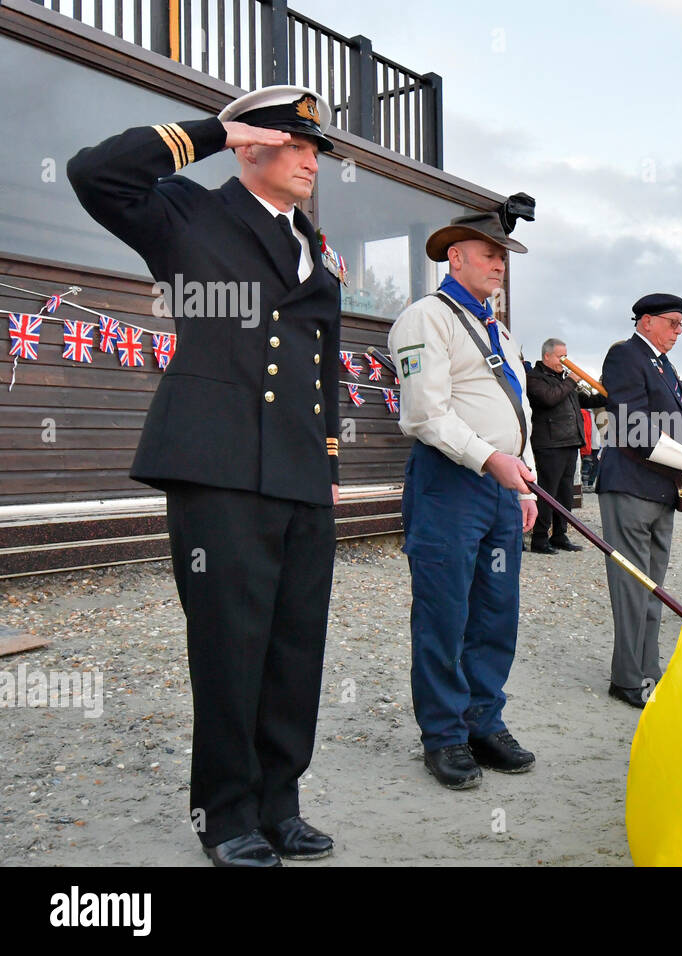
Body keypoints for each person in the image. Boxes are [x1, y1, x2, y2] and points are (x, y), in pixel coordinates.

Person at [68, 87, 343, 866]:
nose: (310, 159)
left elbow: (321, 368)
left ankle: (280, 803)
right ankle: (225, 817)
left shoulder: (312, 247)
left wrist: (328, 467)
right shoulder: (190, 215)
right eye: (295, 144)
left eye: (315, 149)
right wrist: (212, 133)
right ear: (253, 145)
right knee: (230, 645)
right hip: (217, 462)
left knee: (296, 646)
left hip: (298, 471)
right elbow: (97, 173)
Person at [389, 208, 538, 791]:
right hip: (450, 482)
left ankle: (484, 720)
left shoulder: (502, 332)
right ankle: (444, 734)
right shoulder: (425, 318)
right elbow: (426, 414)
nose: (500, 264)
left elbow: (515, 413)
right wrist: (491, 460)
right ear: (456, 257)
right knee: (444, 615)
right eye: (490, 253)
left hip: (503, 486)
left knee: (496, 612)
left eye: (504, 256)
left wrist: (523, 476)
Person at [597, 294, 682, 706]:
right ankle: (626, 678)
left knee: (653, 588)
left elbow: (679, 420)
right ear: (646, 321)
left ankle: (649, 669)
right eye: (673, 323)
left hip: (663, 488)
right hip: (630, 484)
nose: (678, 332)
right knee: (631, 586)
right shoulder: (627, 356)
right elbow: (632, 426)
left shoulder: (664, 365)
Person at [525, 338, 606, 554]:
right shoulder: (534, 378)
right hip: (549, 444)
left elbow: (586, 401)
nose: (565, 361)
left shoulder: (562, 379)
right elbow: (549, 399)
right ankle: (540, 539)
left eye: (566, 356)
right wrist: (570, 380)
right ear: (547, 356)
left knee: (565, 493)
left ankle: (560, 535)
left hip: (570, 442)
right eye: (561, 356)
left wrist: (607, 393)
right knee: (547, 493)